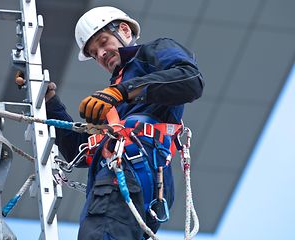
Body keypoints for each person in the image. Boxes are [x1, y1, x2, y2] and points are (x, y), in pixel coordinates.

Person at [45, 6, 204, 240]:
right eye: (93, 52)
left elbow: (189, 80)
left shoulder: (153, 53)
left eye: (103, 42)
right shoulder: (113, 105)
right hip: (128, 176)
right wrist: (49, 103)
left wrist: (123, 91)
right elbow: (76, 151)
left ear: (124, 30)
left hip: (132, 170)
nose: (100, 54)